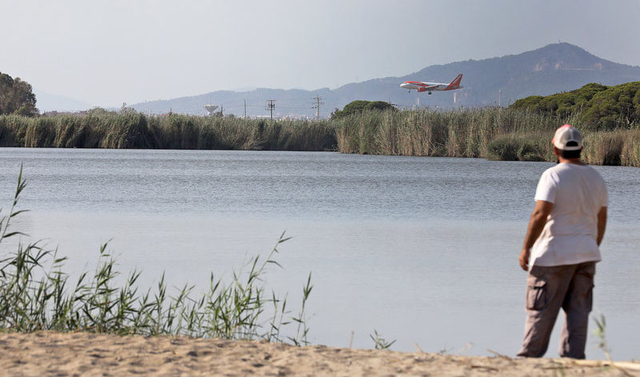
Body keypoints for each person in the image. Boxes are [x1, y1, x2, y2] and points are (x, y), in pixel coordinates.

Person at [517, 125, 608, 359]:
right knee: (578, 313)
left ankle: (528, 359)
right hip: (586, 255)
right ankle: (574, 362)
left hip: (553, 255)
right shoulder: (596, 177)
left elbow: (540, 214)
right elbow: (601, 218)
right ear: (581, 148)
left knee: (540, 312)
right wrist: (592, 245)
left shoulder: (553, 175)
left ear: (555, 148)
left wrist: (526, 247)